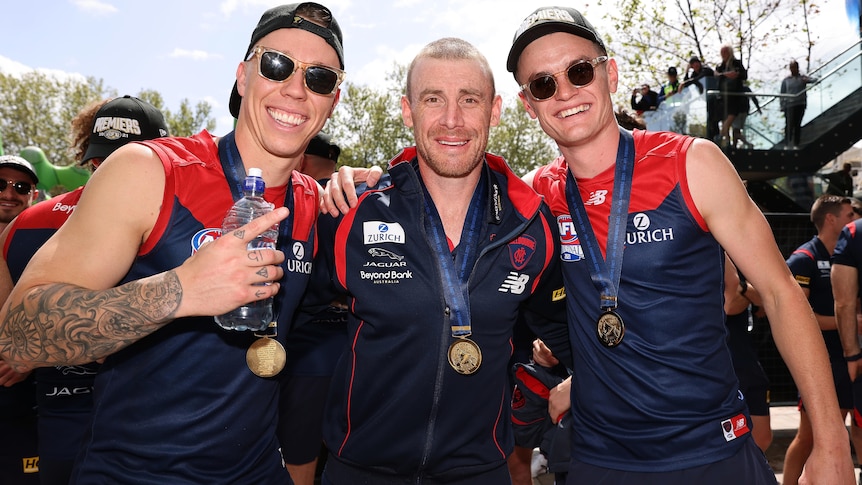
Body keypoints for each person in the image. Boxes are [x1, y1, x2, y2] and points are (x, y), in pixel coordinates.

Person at [506, 5, 854, 483]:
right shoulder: (537, 195)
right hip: (600, 461)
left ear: (610, 73)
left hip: (713, 454)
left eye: (579, 71)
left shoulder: (692, 164)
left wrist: (832, 441)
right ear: (530, 104)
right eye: (544, 84)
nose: (564, 92)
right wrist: (370, 184)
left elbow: (779, 292)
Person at [0, 2, 345, 483]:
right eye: (276, 64)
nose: (295, 88)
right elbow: (17, 335)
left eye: (320, 78)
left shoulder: (313, 204)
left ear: (334, 99)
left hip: (258, 470)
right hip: (133, 474)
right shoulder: (149, 171)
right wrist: (179, 290)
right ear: (243, 76)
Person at [311, 37, 568, 484]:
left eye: (470, 100)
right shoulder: (354, 212)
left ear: (494, 111)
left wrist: (592, 381)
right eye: (434, 99)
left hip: (480, 472)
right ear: (409, 111)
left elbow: (567, 328)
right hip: (360, 471)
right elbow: (280, 321)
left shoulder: (532, 221)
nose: (452, 120)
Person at [0, 95, 169, 485]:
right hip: (120, 417)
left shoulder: (24, 223)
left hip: (76, 417)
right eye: (104, 163)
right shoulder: (177, 226)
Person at [278, 132, 346, 485]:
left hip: (305, 355)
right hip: (353, 350)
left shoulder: (297, 196)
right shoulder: (352, 194)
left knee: (299, 463)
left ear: (303, 157)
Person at [783, 194, 862, 485]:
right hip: (822, 362)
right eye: (850, 215)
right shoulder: (804, 258)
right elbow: (801, 318)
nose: (855, 220)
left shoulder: (849, 253)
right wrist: (850, 324)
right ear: (831, 219)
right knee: (810, 437)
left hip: (849, 358)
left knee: (856, 428)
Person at [0, 154, 40, 485]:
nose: (8, 193)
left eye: (20, 187)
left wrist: (30, 354)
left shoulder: (49, 243)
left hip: (21, 400)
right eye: (0, 184)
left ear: (33, 196)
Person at [723, 255, 772, 453]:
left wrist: (741, 288)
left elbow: (765, 299)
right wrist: (747, 294)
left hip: (749, 361)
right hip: (726, 364)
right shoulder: (708, 258)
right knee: (732, 441)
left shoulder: (741, 258)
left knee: (763, 437)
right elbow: (730, 306)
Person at [679, 55, 718, 140]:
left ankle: (716, 137)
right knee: (710, 120)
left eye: (697, 62)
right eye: (693, 64)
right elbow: (688, 85)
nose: (695, 65)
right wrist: (686, 71)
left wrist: (684, 83)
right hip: (706, 101)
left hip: (715, 99)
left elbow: (697, 79)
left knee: (714, 120)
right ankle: (712, 137)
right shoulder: (694, 73)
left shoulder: (706, 69)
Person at [714, 45, 747, 146]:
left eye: (725, 52)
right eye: (722, 53)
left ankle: (721, 136)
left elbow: (743, 75)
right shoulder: (720, 66)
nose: (723, 55)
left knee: (732, 117)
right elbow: (717, 78)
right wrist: (727, 75)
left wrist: (727, 75)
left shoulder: (736, 63)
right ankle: (727, 141)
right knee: (725, 119)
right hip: (723, 98)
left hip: (735, 96)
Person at [780, 60, 816, 149]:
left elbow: (815, 80)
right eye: (791, 67)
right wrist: (782, 105)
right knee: (789, 124)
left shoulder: (802, 78)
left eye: (795, 67)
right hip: (789, 105)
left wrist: (807, 79)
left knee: (797, 124)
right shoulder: (786, 80)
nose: (793, 69)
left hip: (800, 104)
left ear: (798, 68)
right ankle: (787, 143)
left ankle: (796, 143)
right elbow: (782, 94)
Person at [730, 83, 760, 149]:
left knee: (736, 130)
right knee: (736, 130)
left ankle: (747, 143)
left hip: (737, 111)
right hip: (745, 111)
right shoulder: (746, 88)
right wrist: (758, 108)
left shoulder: (733, 88)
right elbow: (753, 97)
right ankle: (734, 146)